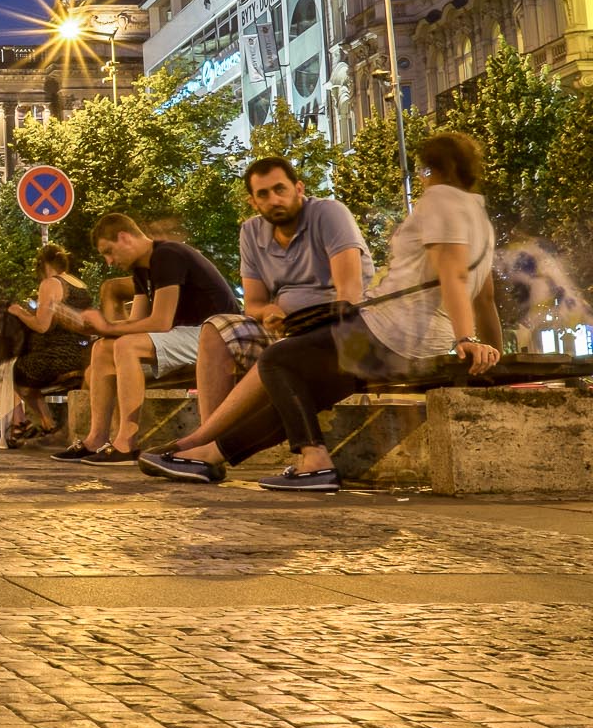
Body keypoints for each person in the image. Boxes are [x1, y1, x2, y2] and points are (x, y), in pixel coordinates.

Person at [142, 133, 503, 490]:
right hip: (402, 342)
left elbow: (453, 274)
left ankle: (312, 460)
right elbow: (484, 295)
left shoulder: (439, 200)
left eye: (423, 170)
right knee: (308, 390)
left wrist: (466, 339)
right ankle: (211, 456)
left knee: (278, 361)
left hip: (391, 333)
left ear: (432, 170)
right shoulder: (479, 215)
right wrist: (496, 352)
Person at [189, 158, 369, 425]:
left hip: (338, 329)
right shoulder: (251, 231)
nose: (274, 200)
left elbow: (350, 293)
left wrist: (312, 330)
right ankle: (210, 435)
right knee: (216, 330)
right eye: (263, 194)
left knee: (281, 355)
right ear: (252, 201)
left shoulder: (329, 213)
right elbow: (254, 303)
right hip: (283, 329)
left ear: (298, 188)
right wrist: (268, 311)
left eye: (280, 189)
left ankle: (205, 443)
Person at [54, 212, 236, 463]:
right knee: (102, 349)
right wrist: (95, 329)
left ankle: (126, 443)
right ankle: (96, 438)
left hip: (217, 334)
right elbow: (135, 324)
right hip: (186, 335)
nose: (109, 261)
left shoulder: (166, 255)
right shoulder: (142, 269)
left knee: (128, 346)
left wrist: (106, 326)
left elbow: (159, 322)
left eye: (109, 251)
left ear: (124, 237)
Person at [0, 245, 97, 439]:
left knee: (10, 371)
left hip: (56, 356)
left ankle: (45, 422)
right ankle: (45, 423)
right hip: (81, 353)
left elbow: (42, 326)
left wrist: (20, 312)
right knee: (23, 374)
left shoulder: (50, 283)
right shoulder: (79, 284)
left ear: (43, 264)